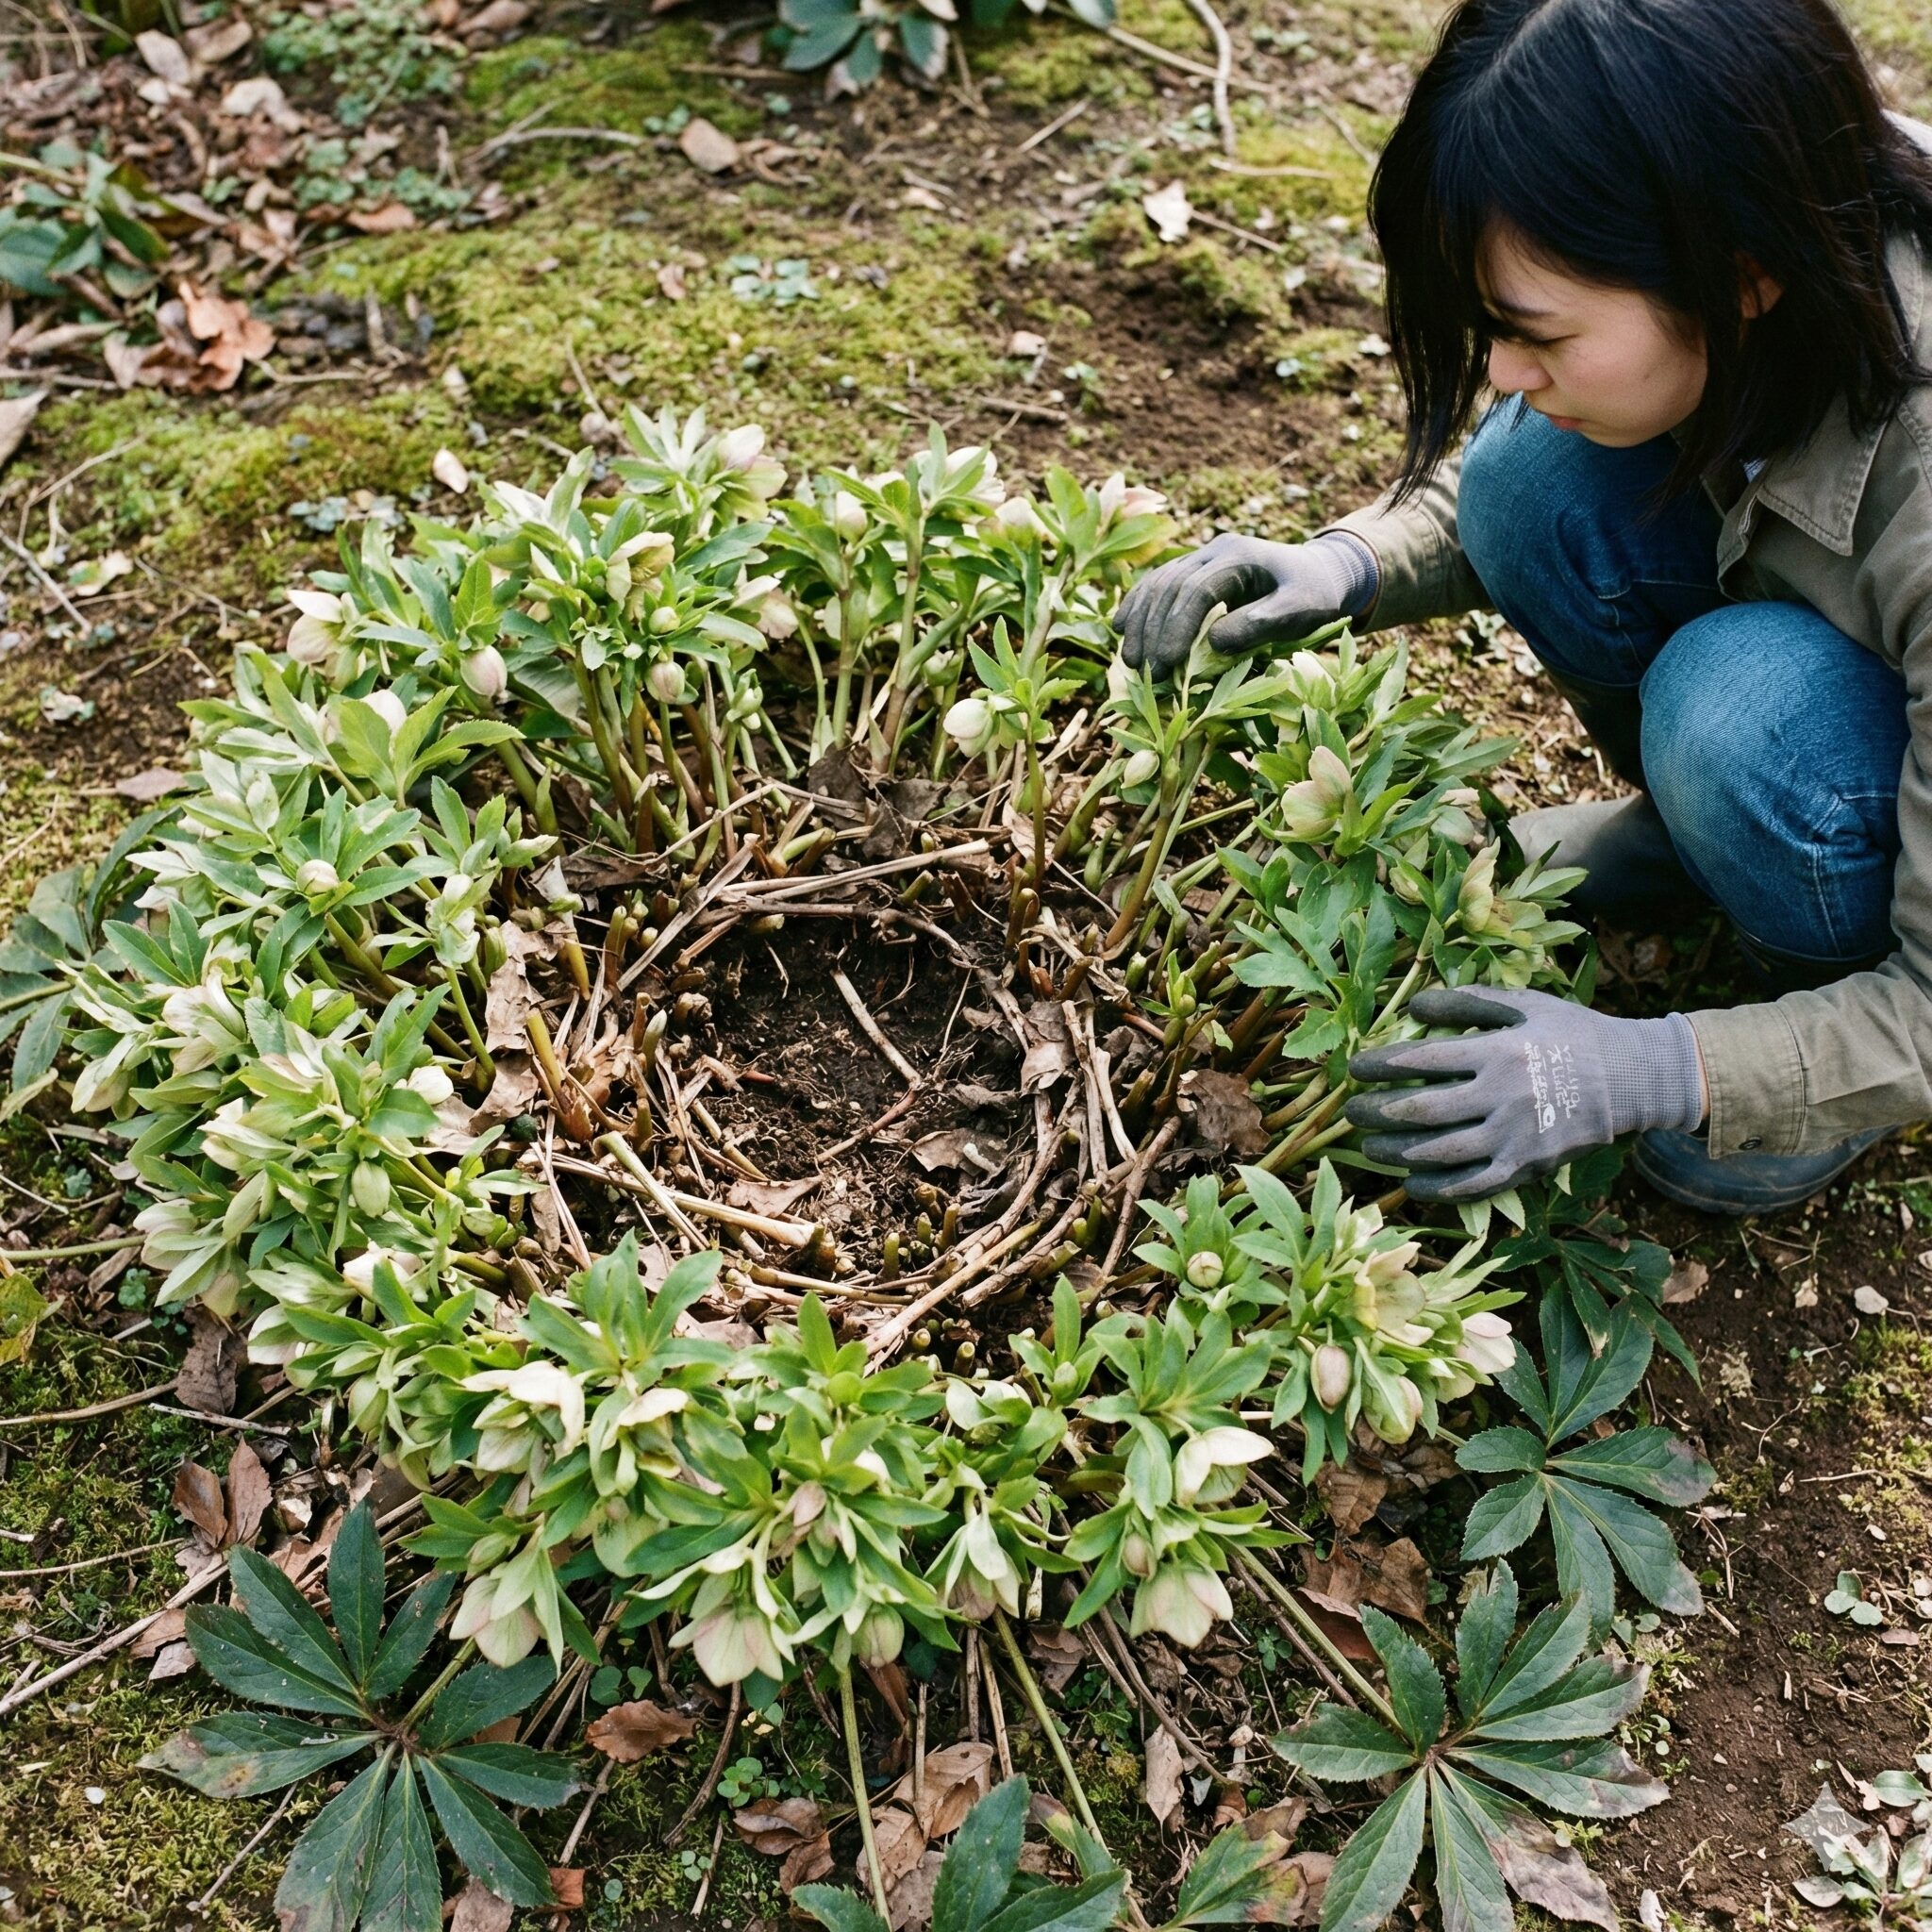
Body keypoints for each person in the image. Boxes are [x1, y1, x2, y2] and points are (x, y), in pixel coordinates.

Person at [1112, 0, 1932, 1215]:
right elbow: (1519, 479)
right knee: (1527, 471)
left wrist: (1655, 1070)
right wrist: (1350, 565)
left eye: (1536, 331)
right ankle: (1693, 841)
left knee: (1737, 712)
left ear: (1742, 277)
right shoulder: (1779, 203)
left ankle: (1809, 980)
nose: (1498, 370)